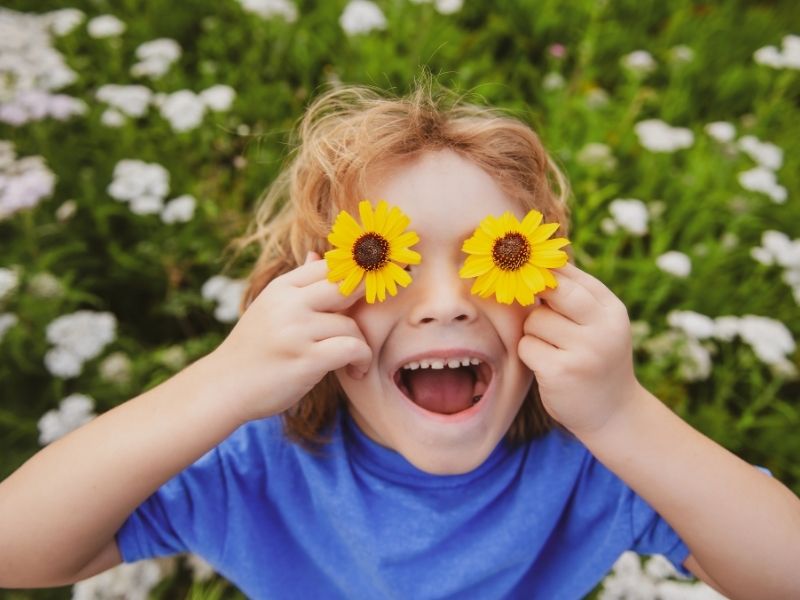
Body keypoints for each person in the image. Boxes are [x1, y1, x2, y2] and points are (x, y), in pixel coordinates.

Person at [1, 80, 799, 600]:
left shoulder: (594, 463)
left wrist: (624, 415)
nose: (444, 303)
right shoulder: (255, 467)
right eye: (383, 262)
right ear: (303, 308)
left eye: (498, 258)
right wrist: (219, 384)